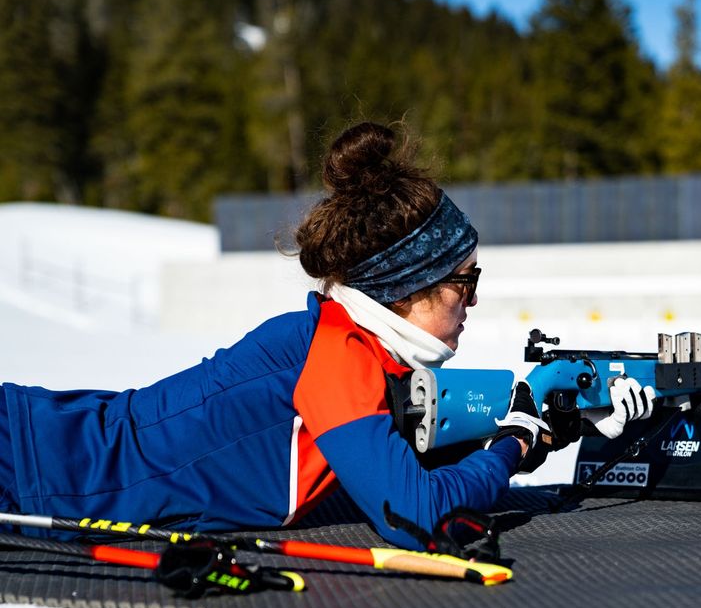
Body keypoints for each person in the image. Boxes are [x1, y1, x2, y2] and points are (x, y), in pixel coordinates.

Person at [0, 121, 654, 550]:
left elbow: (390, 467)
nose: (475, 298)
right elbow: (417, 516)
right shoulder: (339, 354)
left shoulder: (349, 343)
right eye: (464, 282)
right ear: (408, 289)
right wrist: (514, 439)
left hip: (47, 445)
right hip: (36, 469)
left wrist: (544, 430)